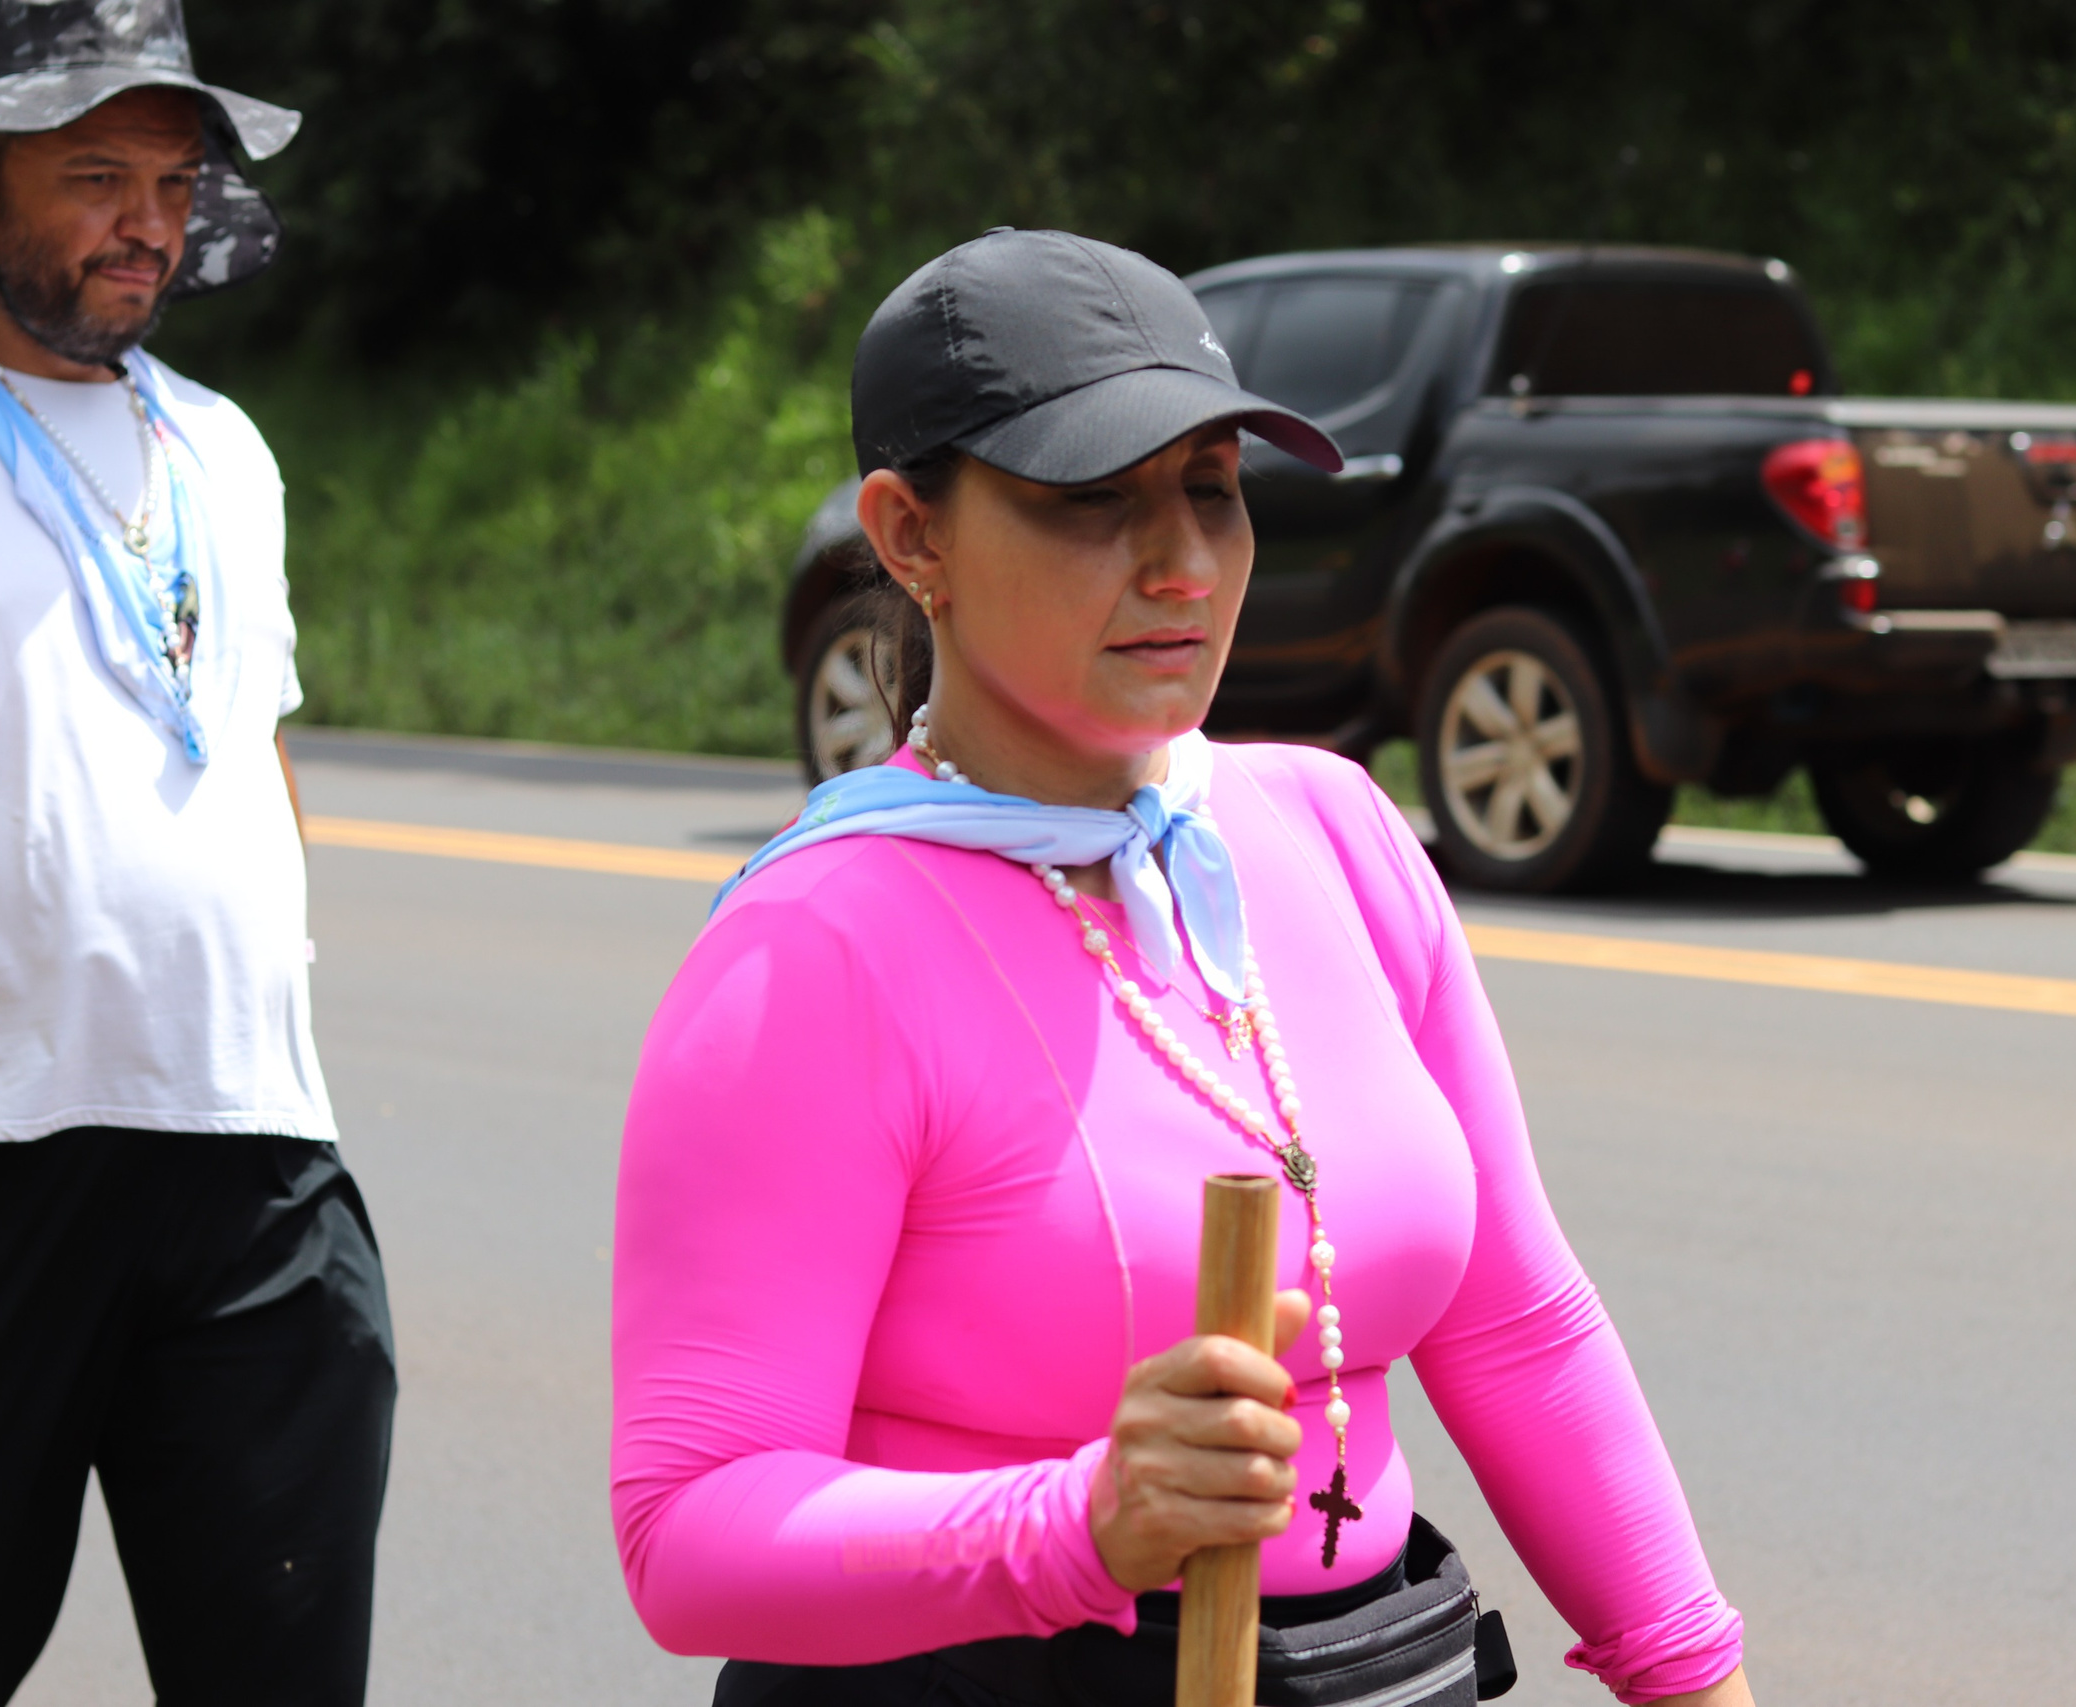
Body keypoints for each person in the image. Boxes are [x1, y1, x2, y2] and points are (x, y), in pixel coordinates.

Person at [610, 228, 1752, 1706]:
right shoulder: (812, 949)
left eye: (1213, 492)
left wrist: (1690, 1674)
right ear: (910, 536)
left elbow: (1518, 1323)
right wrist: (1079, 1524)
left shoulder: (1328, 827)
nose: (1182, 563)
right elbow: (688, 1532)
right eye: (1093, 502)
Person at [0, 5, 393, 1702]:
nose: (149, 222)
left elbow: (248, 747)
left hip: (251, 1156)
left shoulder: (224, 449)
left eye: (174, 181)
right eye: (96, 174)